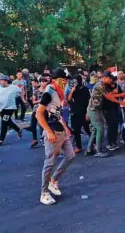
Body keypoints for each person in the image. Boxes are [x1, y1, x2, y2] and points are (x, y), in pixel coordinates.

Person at [36, 68, 75, 206]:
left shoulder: (59, 93)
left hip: (61, 130)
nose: (66, 82)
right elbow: (38, 114)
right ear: (58, 79)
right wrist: (48, 131)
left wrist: (65, 127)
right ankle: (44, 192)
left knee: (70, 156)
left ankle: (53, 180)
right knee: (50, 162)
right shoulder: (49, 92)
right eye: (64, 79)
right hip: (52, 132)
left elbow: (57, 113)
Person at [85, 70, 125, 158]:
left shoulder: (103, 85)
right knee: (100, 129)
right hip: (94, 110)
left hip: (96, 109)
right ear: (104, 78)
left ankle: (89, 149)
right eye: (109, 78)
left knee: (94, 130)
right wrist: (121, 103)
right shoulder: (100, 85)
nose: (110, 80)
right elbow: (109, 97)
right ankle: (98, 151)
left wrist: (122, 94)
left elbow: (110, 95)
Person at [0, 75, 25, 145]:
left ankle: (1, 140)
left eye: (3, 80)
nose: (1, 82)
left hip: (10, 107)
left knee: (4, 122)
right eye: (0, 80)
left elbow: (21, 91)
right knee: (7, 121)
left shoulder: (13, 87)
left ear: (6, 81)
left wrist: (23, 99)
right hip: (2, 108)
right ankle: (18, 130)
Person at [67, 74, 91, 153]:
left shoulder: (85, 89)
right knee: (76, 130)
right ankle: (78, 146)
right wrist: (72, 91)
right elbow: (69, 99)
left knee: (87, 129)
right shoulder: (73, 89)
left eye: (76, 80)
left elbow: (89, 101)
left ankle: (93, 143)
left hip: (84, 112)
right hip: (75, 112)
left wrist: (88, 112)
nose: (74, 82)